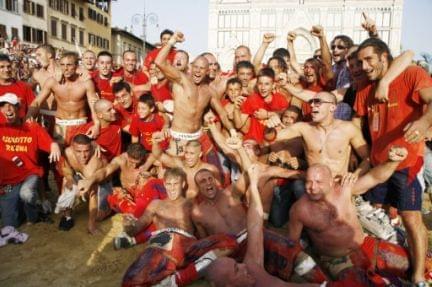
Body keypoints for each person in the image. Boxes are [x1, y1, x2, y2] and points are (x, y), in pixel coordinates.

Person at [355, 37, 432, 284]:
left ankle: (419, 276)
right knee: (379, 218)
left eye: (369, 60)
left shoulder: (411, 74)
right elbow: (359, 129)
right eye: (360, 61)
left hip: (408, 163)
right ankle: (390, 265)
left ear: (384, 57)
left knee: (411, 218)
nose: (364, 66)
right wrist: (362, 163)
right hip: (378, 166)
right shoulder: (364, 88)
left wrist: (423, 122)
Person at [287, 147, 421, 285]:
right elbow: (291, 244)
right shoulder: (299, 210)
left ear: (331, 182)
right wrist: (303, 271)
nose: (312, 187)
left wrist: (392, 162)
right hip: (337, 261)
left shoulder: (344, 189)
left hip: (365, 246)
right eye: (309, 182)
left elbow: (375, 177)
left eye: (318, 182)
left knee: (412, 263)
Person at [205, 164, 319, 287]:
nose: (243, 265)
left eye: (237, 264)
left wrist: (253, 185)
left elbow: (255, 225)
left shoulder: (252, 268)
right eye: (236, 269)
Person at [121, 167, 238, 287]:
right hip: (162, 243)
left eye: (175, 184)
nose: (172, 188)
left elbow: (202, 230)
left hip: (187, 245)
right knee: (130, 282)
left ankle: (178, 279)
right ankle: (180, 277)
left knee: (229, 242)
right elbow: (137, 227)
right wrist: (128, 226)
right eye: (169, 184)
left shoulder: (190, 203)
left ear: (183, 184)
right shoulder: (156, 204)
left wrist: (207, 244)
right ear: (165, 184)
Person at [154, 31, 233, 155]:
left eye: (201, 69)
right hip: (178, 137)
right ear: (191, 67)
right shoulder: (181, 80)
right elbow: (159, 62)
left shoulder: (209, 91)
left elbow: (222, 114)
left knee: (198, 173)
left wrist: (233, 132)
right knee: (177, 172)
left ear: (207, 71)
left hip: (197, 137)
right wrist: (172, 41)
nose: (197, 71)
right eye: (195, 67)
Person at [276, 91, 369, 179]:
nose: (312, 105)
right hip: (313, 187)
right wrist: (270, 125)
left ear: (332, 107)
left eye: (317, 102)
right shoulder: (303, 128)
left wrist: (355, 175)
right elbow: (273, 137)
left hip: (338, 186)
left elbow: (368, 158)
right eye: (311, 102)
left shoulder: (348, 129)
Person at [0, 93, 60, 227]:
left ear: (18, 108)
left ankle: (34, 215)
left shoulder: (32, 127)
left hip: (29, 173)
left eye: (11, 106)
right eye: (3, 106)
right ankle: (18, 207)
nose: (7, 109)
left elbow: (49, 142)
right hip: (8, 180)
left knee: (26, 194)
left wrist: (54, 145)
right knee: (11, 224)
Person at [26, 52, 100, 145]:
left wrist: (97, 124)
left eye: (69, 65)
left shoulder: (86, 83)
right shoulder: (53, 82)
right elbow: (37, 102)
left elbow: (93, 104)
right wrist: (28, 118)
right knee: (59, 158)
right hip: (60, 126)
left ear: (76, 66)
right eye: (62, 65)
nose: (65, 68)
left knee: (79, 157)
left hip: (80, 124)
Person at [59, 134, 111, 234]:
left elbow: (93, 192)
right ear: (72, 148)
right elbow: (66, 170)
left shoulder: (95, 162)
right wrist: (71, 179)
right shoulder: (67, 152)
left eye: (86, 151)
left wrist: (91, 225)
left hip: (102, 185)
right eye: (78, 151)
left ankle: (94, 223)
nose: (83, 156)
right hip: (82, 177)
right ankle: (67, 217)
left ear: (91, 148)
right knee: (66, 181)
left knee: (99, 217)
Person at [152, 131, 221, 198]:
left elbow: (218, 192)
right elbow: (159, 155)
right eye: (186, 153)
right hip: (184, 206)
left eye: (192, 153)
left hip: (203, 207)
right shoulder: (181, 165)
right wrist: (155, 142)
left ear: (200, 154)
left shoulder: (210, 170)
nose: (188, 156)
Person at [0, 54, 35, 123]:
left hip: (20, 131)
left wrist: (29, 116)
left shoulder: (23, 86)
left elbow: (33, 105)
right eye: (2, 67)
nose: (6, 70)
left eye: (9, 66)